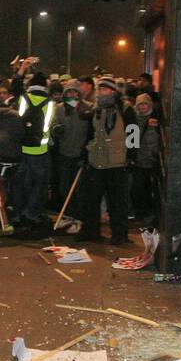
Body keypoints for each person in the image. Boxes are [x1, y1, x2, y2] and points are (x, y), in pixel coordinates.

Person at [78, 74, 137, 246]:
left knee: (117, 203)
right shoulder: (96, 109)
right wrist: (85, 153)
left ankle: (119, 234)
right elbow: (90, 134)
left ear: (112, 91)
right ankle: (90, 231)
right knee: (91, 200)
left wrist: (132, 157)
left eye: (104, 89)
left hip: (117, 163)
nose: (100, 93)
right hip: (96, 161)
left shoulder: (125, 109)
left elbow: (133, 133)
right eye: (99, 89)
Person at [11, 72, 54, 224]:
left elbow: (19, 119)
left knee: (19, 182)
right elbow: (48, 125)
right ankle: (31, 213)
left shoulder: (24, 99)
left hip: (22, 147)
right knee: (39, 183)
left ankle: (17, 213)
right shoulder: (49, 103)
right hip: (40, 150)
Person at [49, 83, 91, 227]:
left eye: (74, 93)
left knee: (80, 189)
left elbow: (92, 130)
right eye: (69, 93)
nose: (72, 96)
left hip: (81, 153)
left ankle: (79, 217)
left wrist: (87, 150)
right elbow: (52, 125)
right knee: (64, 188)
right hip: (64, 153)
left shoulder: (88, 107)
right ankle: (68, 215)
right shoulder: (59, 108)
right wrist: (56, 129)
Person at [130, 92, 162, 226]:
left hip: (152, 161)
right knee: (137, 189)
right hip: (139, 161)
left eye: (145, 104)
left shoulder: (156, 120)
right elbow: (131, 141)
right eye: (140, 104)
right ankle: (142, 214)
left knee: (150, 189)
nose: (142, 107)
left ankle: (149, 215)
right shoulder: (133, 120)